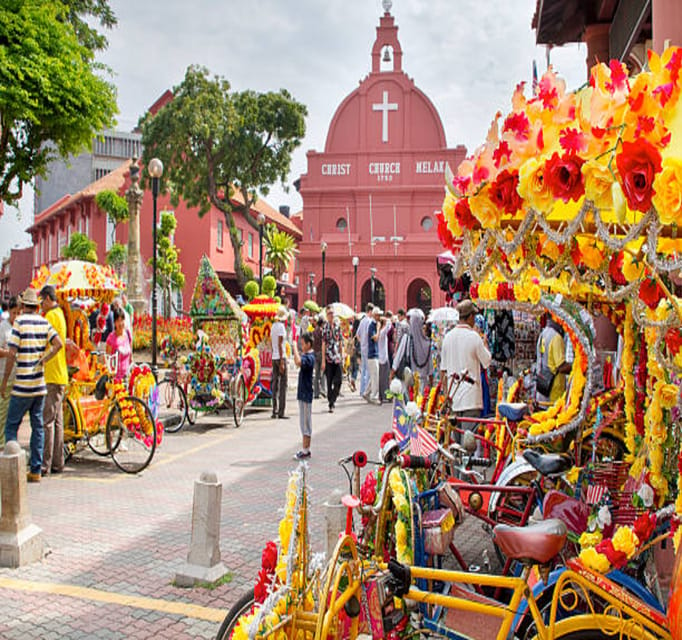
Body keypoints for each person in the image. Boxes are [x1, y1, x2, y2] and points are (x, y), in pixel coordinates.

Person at [2, 288, 63, 483]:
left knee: (11, 426)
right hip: (39, 385)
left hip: (22, 384)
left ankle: (11, 467)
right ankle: (36, 469)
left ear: (22, 306)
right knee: (38, 426)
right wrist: (45, 358)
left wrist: (4, 382)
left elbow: (11, 354)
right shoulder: (44, 322)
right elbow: (59, 343)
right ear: (36, 306)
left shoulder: (19, 323)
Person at [440, 299, 491, 452]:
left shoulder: (448, 337)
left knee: (456, 446)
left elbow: (443, 371)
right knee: (468, 447)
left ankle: (457, 476)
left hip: (453, 399)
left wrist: (446, 396)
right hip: (470, 400)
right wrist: (485, 343)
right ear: (469, 317)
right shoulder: (474, 337)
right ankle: (465, 476)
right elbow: (487, 361)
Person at [39, 285, 68, 477]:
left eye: (42, 300)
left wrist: (42, 359)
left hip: (52, 374)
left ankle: (45, 464)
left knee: (47, 422)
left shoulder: (50, 316)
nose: (41, 304)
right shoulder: (61, 315)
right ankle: (58, 462)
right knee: (57, 422)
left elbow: (46, 343)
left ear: (49, 298)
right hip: (61, 375)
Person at [393, 308, 431, 391]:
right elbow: (430, 368)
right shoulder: (428, 342)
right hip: (423, 383)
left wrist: (391, 374)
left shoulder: (406, 339)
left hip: (409, 381)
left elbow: (398, 358)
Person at [535, 314, 569, 404]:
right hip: (553, 392)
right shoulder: (556, 337)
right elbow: (561, 366)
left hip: (542, 387)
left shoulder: (543, 334)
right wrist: (577, 367)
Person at [0, 297, 20, 448]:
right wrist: (9, 353)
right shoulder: (3, 328)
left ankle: (10, 443)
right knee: (2, 413)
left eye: (18, 313)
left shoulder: (19, 328)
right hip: (3, 376)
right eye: (14, 313)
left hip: (17, 377)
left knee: (13, 414)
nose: (16, 316)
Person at [293, 334, 314, 460]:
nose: (301, 346)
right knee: (303, 422)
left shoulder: (310, 357)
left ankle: (306, 450)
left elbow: (298, 362)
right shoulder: (307, 356)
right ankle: (305, 449)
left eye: (303, 343)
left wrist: (294, 347)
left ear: (308, 344)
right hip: (303, 393)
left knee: (306, 423)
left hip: (306, 393)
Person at [321, 306, 343, 413]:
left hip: (337, 357)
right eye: (329, 313)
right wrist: (323, 360)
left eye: (332, 313)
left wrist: (342, 355)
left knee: (339, 380)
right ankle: (331, 403)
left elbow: (340, 342)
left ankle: (333, 397)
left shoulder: (338, 326)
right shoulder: (325, 328)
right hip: (329, 357)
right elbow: (323, 343)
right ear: (326, 315)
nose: (331, 315)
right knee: (329, 381)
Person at [105, 307, 133, 382]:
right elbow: (107, 360)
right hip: (116, 380)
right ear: (114, 323)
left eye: (122, 320)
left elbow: (131, 356)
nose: (120, 323)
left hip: (127, 377)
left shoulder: (128, 334)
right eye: (118, 321)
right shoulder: (111, 338)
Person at [271, 307, 288, 419]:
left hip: (274, 357)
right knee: (283, 385)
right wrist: (282, 361)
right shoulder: (281, 327)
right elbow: (280, 344)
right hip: (280, 357)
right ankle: (281, 412)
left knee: (275, 384)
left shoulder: (273, 326)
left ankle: (274, 410)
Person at [363, 307, 381, 404]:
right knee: (375, 377)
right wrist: (378, 329)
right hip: (372, 354)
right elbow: (375, 338)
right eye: (378, 315)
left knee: (373, 376)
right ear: (374, 315)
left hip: (375, 354)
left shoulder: (374, 324)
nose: (380, 317)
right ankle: (374, 396)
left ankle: (366, 393)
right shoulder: (372, 325)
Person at [355, 303, 373, 396]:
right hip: (369, 348)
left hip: (363, 348)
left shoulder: (362, 321)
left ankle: (362, 390)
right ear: (370, 311)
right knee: (369, 370)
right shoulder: (370, 321)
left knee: (363, 369)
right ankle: (366, 391)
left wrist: (362, 342)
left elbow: (357, 335)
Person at [378, 311, 392, 403]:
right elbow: (389, 326)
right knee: (385, 378)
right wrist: (388, 319)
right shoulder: (382, 332)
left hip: (381, 356)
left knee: (382, 378)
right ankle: (385, 395)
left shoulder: (379, 332)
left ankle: (382, 395)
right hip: (383, 357)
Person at [312, 316, 325, 399]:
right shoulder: (322, 331)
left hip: (315, 352)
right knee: (323, 373)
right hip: (321, 352)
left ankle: (316, 393)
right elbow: (324, 343)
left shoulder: (314, 331)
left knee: (316, 374)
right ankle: (323, 390)